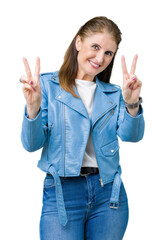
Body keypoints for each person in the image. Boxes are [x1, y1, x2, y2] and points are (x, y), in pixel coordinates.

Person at [20, 16, 145, 240]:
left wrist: (131, 103)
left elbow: (132, 136)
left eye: (108, 53)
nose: (100, 58)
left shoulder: (114, 94)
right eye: (95, 47)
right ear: (79, 43)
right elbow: (31, 144)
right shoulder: (47, 86)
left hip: (108, 195)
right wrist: (32, 108)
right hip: (62, 193)